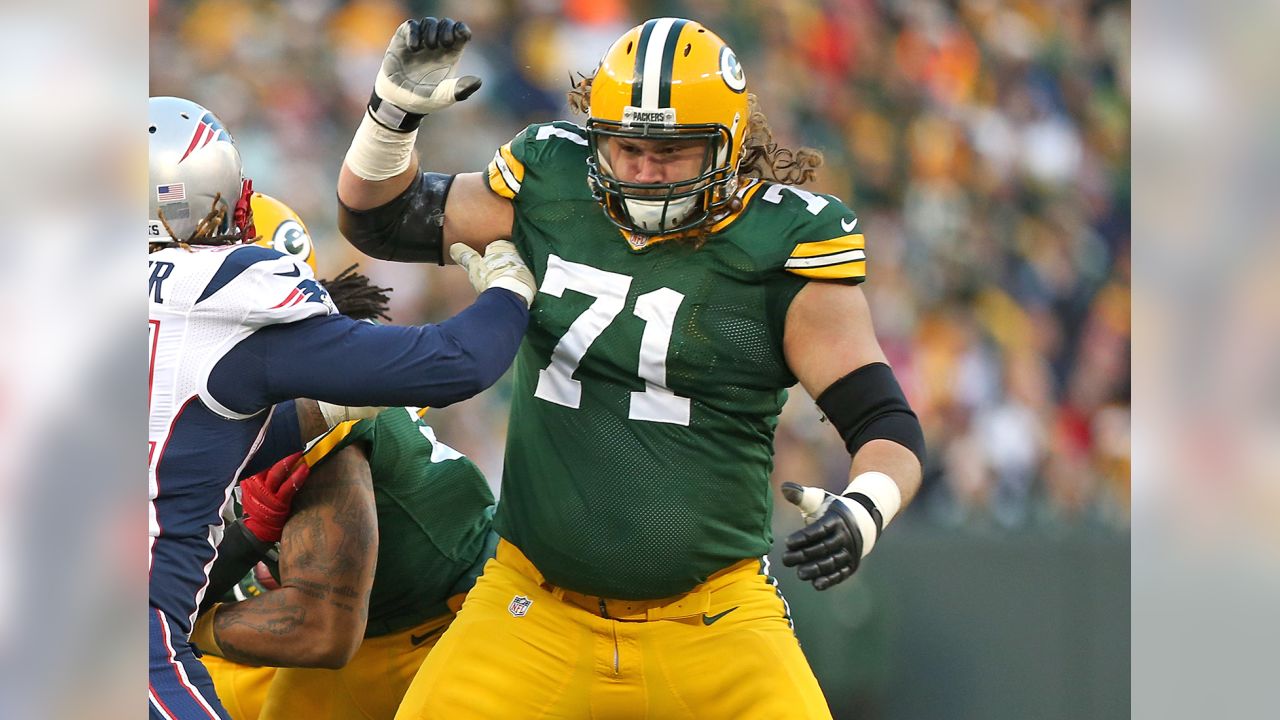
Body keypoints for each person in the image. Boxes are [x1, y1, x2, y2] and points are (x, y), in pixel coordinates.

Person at [337, 17, 926, 719]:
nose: (644, 171)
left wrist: (866, 508)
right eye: (627, 147)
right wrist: (391, 118)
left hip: (713, 618)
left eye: (672, 153)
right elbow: (378, 219)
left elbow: (885, 421)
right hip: (533, 607)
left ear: (730, 145)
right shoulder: (550, 180)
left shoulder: (785, 243)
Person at [147, 95, 534, 719]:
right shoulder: (233, 326)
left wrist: (238, 547)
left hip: (449, 629)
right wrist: (511, 289)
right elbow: (455, 363)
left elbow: (318, 628)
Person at [193, 196, 501, 720]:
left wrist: (174, 624)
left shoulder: (315, 418)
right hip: (372, 627)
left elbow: (320, 632)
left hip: (451, 625)